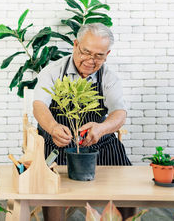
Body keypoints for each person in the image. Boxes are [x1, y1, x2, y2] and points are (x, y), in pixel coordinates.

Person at [33, 23, 134, 220]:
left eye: (98, 56)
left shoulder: (109, 78)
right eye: (86, 52)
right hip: (57, 141)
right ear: (75, 44)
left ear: (107, 54)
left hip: (98, 142)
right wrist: (53, 127)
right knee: (52, 187)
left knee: (127, 186)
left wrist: (102, 128)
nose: (90, 60)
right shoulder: (53, 72)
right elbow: (39, 106)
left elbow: (119, 113)